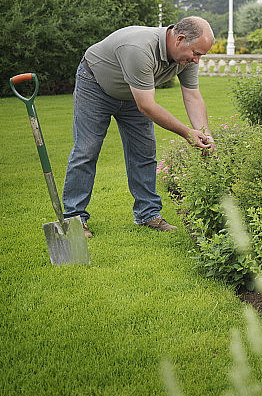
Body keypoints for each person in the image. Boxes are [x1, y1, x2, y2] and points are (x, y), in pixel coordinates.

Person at [62, 16, 216, 237]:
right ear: (180, 39)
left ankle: (148, 214)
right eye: (196, 53)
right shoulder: (140, 48)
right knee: (87, 150)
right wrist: (187, 133)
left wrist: (206, 136)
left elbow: (192, 96)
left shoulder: (187, 58)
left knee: (144, 152)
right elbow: (146, 106)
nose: (197, 60)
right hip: (95, 86)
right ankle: (74, 219)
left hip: (135, 93)